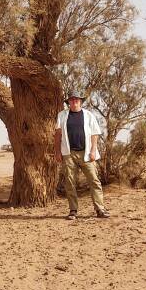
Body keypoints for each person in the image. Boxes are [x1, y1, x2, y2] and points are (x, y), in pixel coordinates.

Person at [54, 91, 110, 220]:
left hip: (86, 153)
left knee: (94, 180)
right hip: (69, 153)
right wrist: (57, 151)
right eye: (72, 100)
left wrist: (93, 150)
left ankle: (100, 209)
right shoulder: (62, 115)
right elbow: (58, 135)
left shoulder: (89, 115)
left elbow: (95, 134)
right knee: (70, 182)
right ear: (69, 102)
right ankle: (73, 210)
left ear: (81, 101)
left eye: (77, 100)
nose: (74, 102)